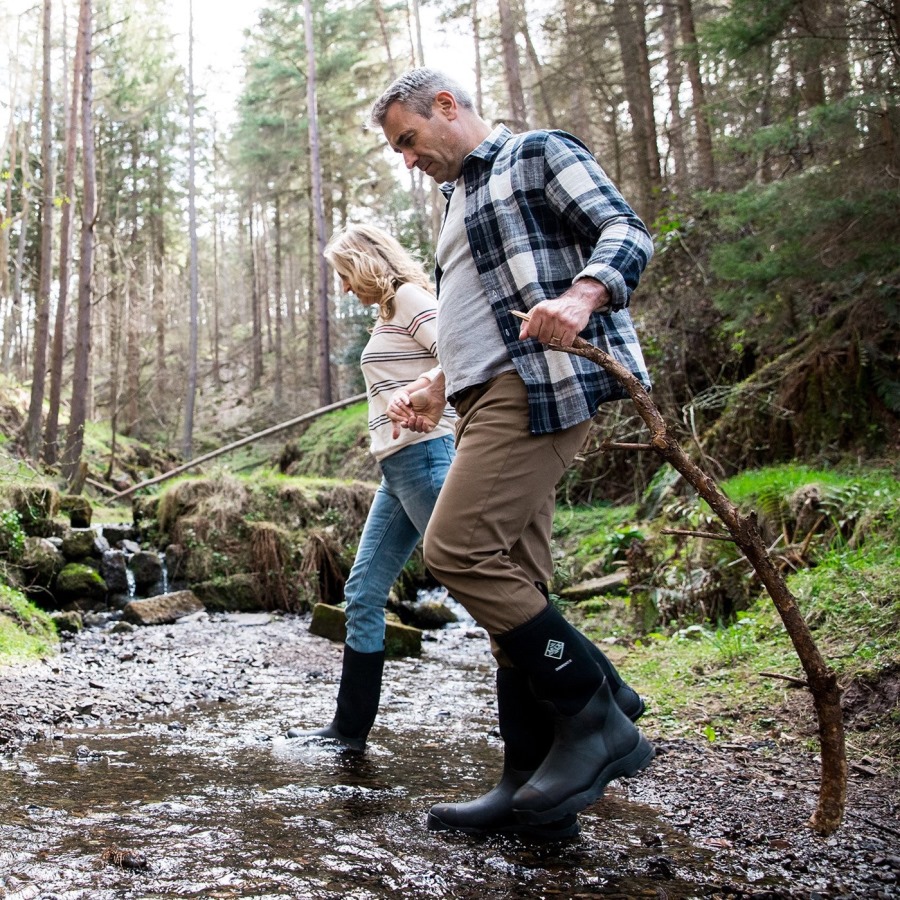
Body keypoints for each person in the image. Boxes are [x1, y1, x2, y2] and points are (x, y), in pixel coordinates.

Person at [370, 68, 655, 839]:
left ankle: (598, 716)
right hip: (481, 397)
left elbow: (625, 229)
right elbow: (480, 316)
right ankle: (531, 784)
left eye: (409, 139)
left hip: (537, 388)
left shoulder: (533, 154)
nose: (407, 157)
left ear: (448, 107)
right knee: (514, 586)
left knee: (457, 550)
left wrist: (582, 296)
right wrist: (436, 385)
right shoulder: (457, 200)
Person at [286, 223, 456, 751]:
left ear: (364, 262)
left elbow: (460, 356)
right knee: (361, 594)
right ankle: (348, 730)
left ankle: (594, 695)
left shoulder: (409, 297)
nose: (342, 288)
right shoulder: (390, 310)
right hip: (397, 468)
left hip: (426, 457)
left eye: (343, 274)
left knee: (482, 582)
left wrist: (426, 402)